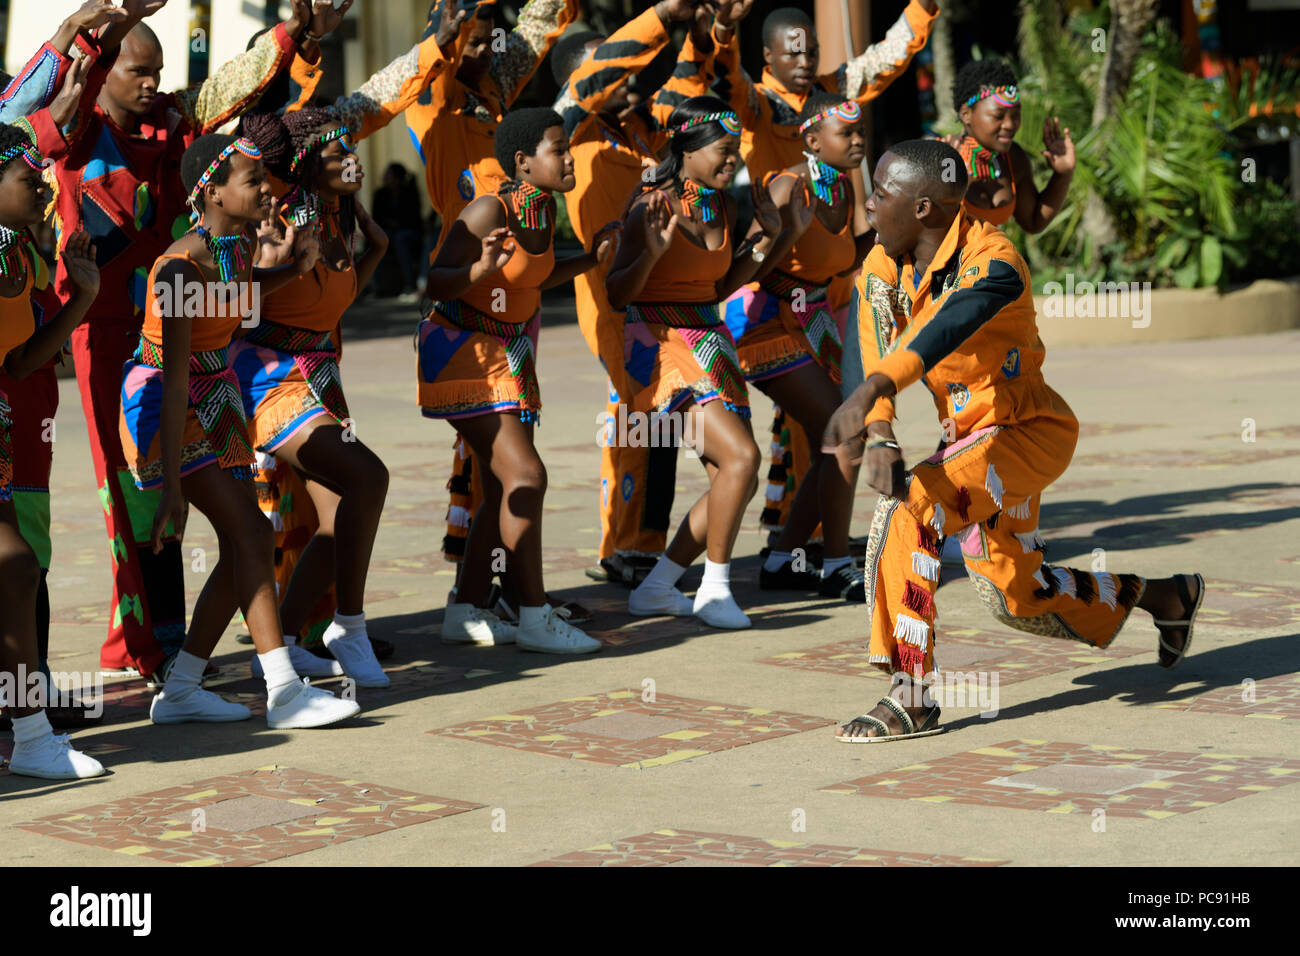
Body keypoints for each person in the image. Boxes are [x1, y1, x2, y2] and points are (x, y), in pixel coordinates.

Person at [823, 139, 1204, 741]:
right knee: (1018, 595)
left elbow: (945, 329)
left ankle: (912, 696)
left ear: (923, 208)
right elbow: (879, 342)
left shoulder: (994, 260)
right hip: (972, 441)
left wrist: (870, 390)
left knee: (907, 508)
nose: (868, 206)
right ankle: (1166, 596)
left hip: (1026, 432)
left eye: (881, 195)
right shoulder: (882, 263)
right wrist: (880, 430)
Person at [18, 0, 336, 684]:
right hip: (104, 337)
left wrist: (292, 35)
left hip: (182, 331)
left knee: (181, 489)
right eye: (136, 70)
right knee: (133, 494)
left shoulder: (174, 124)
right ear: (102, 74)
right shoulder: (75, 131)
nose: (149, 84)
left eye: (158, 72)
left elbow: (235, 82)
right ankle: (153, 649)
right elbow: (22, 110)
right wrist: (97, 29)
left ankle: (147, 642)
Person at [230, 2, 468, 687]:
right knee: (308, 506)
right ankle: (307, 641)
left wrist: (377, 252)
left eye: (348, 144)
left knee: (341, 516)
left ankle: (306, 639)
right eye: (336, 150)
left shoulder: (334, 213)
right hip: (269, 376)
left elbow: (370, 105)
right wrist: (287, 267)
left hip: (319, 374)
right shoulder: (276, 212)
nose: (352, 155)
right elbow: (245, 301)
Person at [121, 133, 359, 729]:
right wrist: (173, 490)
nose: (265, 190)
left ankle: (180, 690)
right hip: (166, 406)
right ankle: (283, 688)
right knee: (250, 531)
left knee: (244, 540)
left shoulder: (232, 249)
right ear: (213, 191)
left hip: (215, 393)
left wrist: (296, 269)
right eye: (252, 180)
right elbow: (174, 379)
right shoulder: (178, 267)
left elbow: (237, 298)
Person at [710, 0, 938, 551]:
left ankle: (797, 548)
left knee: (835, 432)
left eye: (812, 49)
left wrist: (923, 10)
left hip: (826, 302)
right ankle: (806, 548)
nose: (806, 60)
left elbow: (886, 60)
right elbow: (721, 76)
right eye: (793, 52)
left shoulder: (834, 96)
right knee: (833, 429)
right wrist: (720, 29)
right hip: (771, 298)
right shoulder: (757, 102)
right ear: (767, 56)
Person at [420, 108, 615, 652]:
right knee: (526, 476)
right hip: (463, 353)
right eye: (559, 148)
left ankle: (464, 608)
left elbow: (531, 279)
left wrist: (589, 259)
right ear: (524, 162)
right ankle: (533, 615)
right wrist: (475, 272)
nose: (569, 156)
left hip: (506, 355)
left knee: (503, 484)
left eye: (568, 146)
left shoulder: (543, 208)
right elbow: (435, 280)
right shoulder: (489, 209)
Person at [547, 0, 718, 589]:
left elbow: (692, 95)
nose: (627, 82)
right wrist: (659, 13)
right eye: (613, 75)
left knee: (643, 420)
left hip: (663, 299)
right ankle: (633, 548)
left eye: (629, 74)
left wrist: (703, 32)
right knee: (646, 421)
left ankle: (627, 545)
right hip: (613, 302)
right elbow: (590, 81)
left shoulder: (644, 127)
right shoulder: (573, 127)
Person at [606, 96, 794, 629]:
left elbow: (720, 286)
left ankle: (658, 585)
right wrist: (651, 249)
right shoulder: (651, 203)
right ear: (686, 149)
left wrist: (767, 235)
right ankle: (714, 588)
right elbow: (618, 292)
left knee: (735, 474)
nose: (732, 159)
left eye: (736, 150)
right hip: (659, 342)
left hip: (709, 340)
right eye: (722, 149)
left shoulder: (720, 204)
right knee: (741, 458)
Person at [406, 0, 577, 579]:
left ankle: (481, 595)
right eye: (470, 42)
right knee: (512, 472)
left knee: (502, 471)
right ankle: (518, 599)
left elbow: (543, 25)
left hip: (513, 311)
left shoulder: (495, 100)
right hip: (466, 309)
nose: (482, 52)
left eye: (488, 41)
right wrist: (445, 43)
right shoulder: (435, 100)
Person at [725, 93, 876, 603]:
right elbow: (748, 271)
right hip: (766, 323)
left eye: (861, 133)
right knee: (843, 429)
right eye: (846, 134)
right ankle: (834, 563)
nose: (858, 141)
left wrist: (887, 228)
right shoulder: (788, 185)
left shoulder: (844, 187)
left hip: (811, 321)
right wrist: (785, 232)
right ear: (812, 141)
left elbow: (841, 259)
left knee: (834, 438)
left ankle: (783, 559)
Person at [0, 122, 106, 778]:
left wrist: (84, 296)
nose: (42, 185)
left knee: (15, 571)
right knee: (13, 568)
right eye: (25, 177)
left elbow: (17, 362)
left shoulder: (12, 254)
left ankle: (30, 732)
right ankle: (33, 734)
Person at [946, 59, 1075, 231]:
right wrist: (946, 190)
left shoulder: (1013, 157)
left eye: (1015, 115)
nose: (1010, 124)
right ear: (966, 114)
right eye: (998, 116)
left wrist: (1063, 174)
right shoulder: (944, 161)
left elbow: (1033, 221)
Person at [372, 163, 425, 298]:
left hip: (408, 232)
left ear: (397, 178)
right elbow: (376, 218)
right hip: (387, 232)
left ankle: (408, 285)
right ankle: (377, 287)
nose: (385, 177)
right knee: (378, 241)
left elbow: (414, 218)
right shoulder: (380, 194)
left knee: (401, 239)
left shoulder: (409, 193)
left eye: (388, 175)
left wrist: (398, 224)